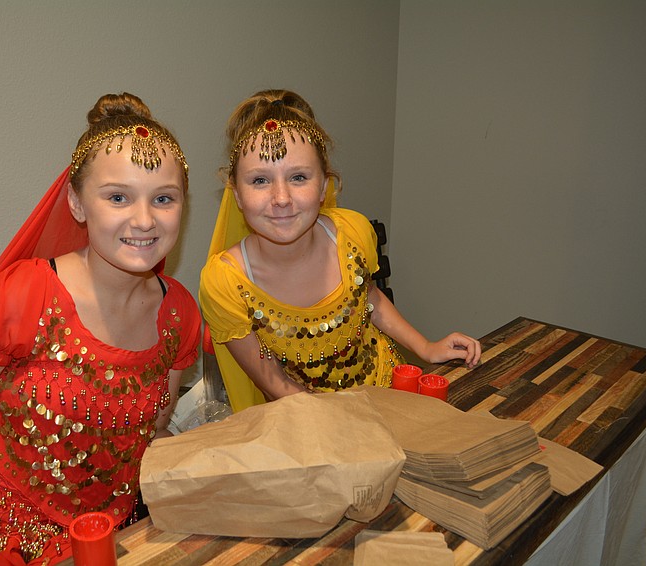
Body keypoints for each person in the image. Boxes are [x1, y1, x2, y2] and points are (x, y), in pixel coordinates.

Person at [0, 93, 200, 565]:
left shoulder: (180, 315)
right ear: (77, 204)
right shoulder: (22, 297)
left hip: (99, 536)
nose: (144, 219)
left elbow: (153, 433)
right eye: (118, 197)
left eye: (163, 198)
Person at [199, 89, 480, 413]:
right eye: (260, 180)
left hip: (389, 395)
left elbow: (370, 299)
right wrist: (337, 421)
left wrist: (426, 347)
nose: (281, 198)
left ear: (323, 186)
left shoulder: (353, 233)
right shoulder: (225, 282)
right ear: (236, 193)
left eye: (298, 177)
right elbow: (272, 381)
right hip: (312, 418)